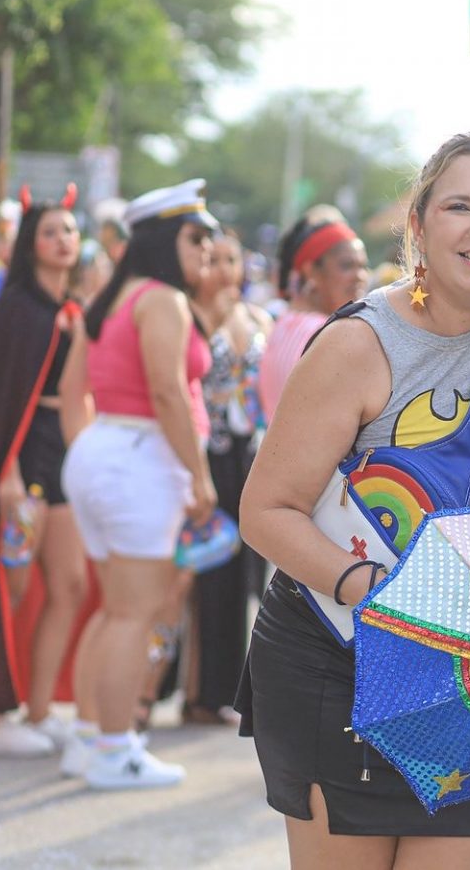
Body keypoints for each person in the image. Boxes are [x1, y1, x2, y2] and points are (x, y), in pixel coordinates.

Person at [236, 131, 470, 867]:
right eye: (460, 206)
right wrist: (380, 592)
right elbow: (265, 511)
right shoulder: (361, 345)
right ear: (419, 224)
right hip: (343, 662)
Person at [58, 179, 219, 789]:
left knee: (114, 610)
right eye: (195, 236)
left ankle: (89, 739)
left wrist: (94, 454)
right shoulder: (162, 300)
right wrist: (198, 476)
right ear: (163, 240)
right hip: (139, 456)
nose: (206, 248)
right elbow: (167, 392)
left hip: (103, 450)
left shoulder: (111, 296)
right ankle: (114, 748)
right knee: (134, 614)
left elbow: (73, 392)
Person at [0, 195, 91, 757]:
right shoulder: (17, 309)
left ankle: (39, 710)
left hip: (61, 456)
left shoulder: (70, 309)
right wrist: (7, 469)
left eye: (70, 230)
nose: (64, 240)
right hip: (24, 458)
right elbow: (1, 400)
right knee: (10, 586)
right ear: (30, 244)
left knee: (69, 584)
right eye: (51, 232)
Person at [184, 231, 271, 725]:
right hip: (205, 454)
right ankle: (194, 690)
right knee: (204, 574)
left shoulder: (257, 318)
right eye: (212, 258)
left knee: (243, 577)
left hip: (249, 454)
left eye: (231, 259)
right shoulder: (188, 316)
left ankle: (226, 690)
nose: (222, 268)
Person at [258, 216, 369, 422]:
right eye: (347, 266)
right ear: (311, 271)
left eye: (363, 266)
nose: (360, 276)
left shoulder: (282, 322)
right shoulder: (326, 333)